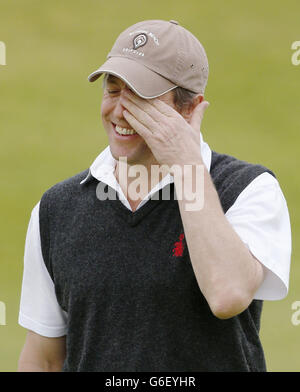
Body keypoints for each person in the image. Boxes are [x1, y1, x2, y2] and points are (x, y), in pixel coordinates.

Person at [18, 19, 291, 372]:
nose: (120, 111)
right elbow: (44, 358)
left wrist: (187, 166)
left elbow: (227, 295)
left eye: (142, 97)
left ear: (189, 109)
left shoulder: (247, 189)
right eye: (113, 90)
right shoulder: (55, 210)